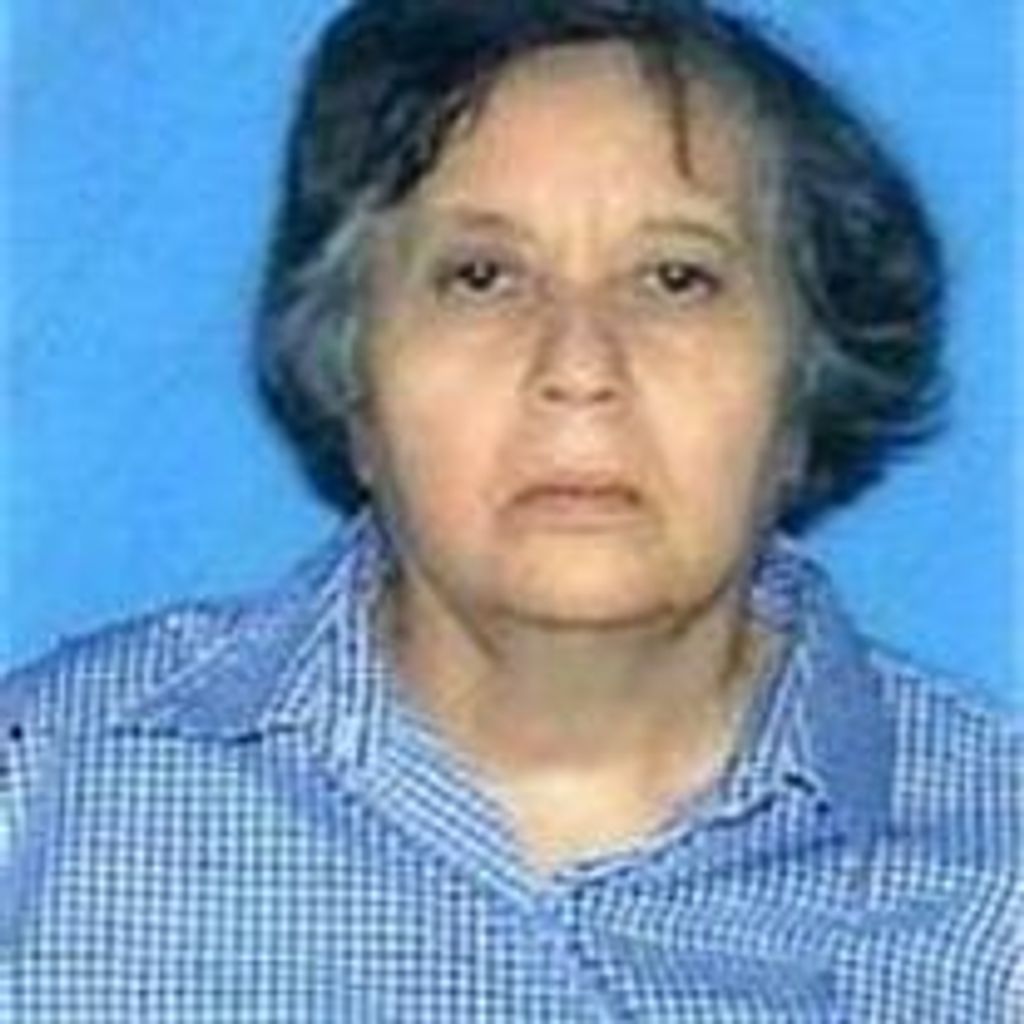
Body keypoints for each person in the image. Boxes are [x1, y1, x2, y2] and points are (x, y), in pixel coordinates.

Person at [2, 1, 1020, 1021]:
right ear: (352, 382)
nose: (578, 366)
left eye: (676, 278)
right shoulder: (39, 805)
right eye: (481, 277)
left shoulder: (999, 892)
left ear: (805, 393)